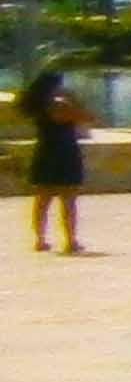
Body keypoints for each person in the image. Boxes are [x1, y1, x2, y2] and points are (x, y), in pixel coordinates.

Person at [22, 66, 91, 255]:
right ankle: (70, 240)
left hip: (45, 150)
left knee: (42, 200)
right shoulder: (60, 104)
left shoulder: (38, 105)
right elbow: (86, 117)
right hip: (64, 151)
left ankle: (40, 239)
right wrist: (75, 100)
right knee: (68, 199)